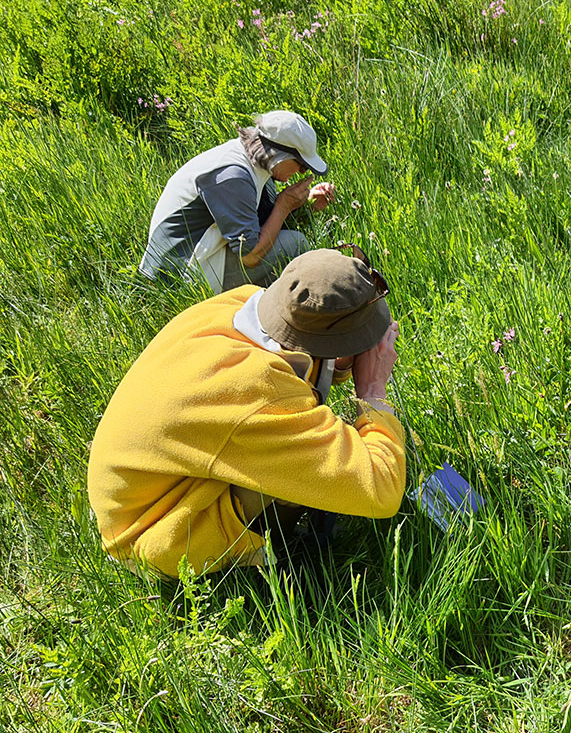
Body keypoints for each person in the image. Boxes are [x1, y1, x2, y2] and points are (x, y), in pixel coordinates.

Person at [88, 247, 407, 579]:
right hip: (147, 534)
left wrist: (340, 361)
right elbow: (381, 493)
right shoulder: (258, 392)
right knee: (295, 473)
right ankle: (285, 569)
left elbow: (297, 349)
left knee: (297, 449)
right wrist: (372, 392)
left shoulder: (242, 302)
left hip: (138, 492)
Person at [139, 110, 337, 293]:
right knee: (294, 244)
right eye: (302, 165)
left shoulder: (255, 162)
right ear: (279, 156)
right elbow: (250, 256)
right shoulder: (232, 177)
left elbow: (258, 216)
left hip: (199, 252)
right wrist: (284, 206)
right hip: (180, 275)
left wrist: (306, 204)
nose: (302, 172)